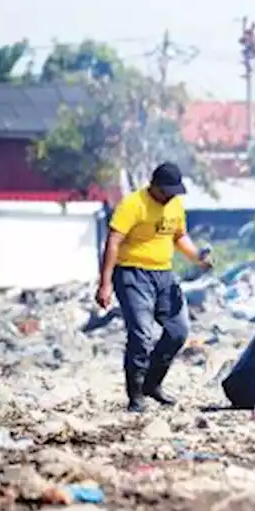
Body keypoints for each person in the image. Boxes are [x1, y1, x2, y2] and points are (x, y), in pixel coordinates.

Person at [95, 162, 212, 413]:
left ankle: (152, 384)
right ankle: (135, 395)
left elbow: (179, 235)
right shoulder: (132, 204)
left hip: (164, 275)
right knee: (141, 335)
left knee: (178, 331)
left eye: (174, 191)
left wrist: (197, 257)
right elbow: (113, 241)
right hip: (132, 274)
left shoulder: (175, 205)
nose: (170, 195)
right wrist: (104, 284)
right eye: (166, 190)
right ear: (154, 185)